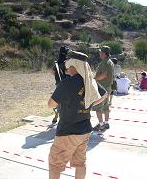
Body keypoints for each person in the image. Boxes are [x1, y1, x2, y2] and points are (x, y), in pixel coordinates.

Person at [47, 51, 107, 179]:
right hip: (84, 130)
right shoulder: (90, 82)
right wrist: (89, 103)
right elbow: (104, 94)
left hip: (67, 131)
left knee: (55, 164)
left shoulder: (67, 83)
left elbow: (51, 104)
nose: (67, 68)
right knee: (80, 163)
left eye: (68, 65)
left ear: (74, 65)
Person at [93, 46, 114, 131]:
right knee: (105, 107)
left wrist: (93, 80)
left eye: (100, 52)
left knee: (98, 107)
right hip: (108, 87)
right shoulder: (110, 62)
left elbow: (104, 74)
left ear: (104, 53)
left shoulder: (105, 62)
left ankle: (101, 124)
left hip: (102, 88)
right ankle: (106, 123)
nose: (99, 54)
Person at [49, 46, 70, 126]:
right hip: (67, 84)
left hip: (59, 84)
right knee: (65, 102)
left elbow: (52, 72)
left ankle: (56, 116)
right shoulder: (67, 62)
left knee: (59, 101)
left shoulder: (57, 62)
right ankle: (62, 119)